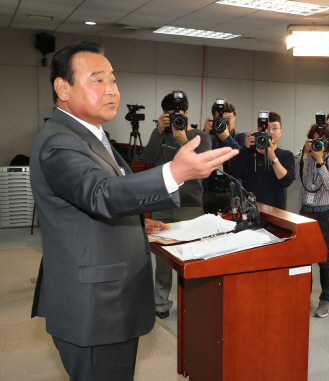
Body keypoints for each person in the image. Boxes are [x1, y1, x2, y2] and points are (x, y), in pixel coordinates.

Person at [29, 41, 237, 381]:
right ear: (62, 88)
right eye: (98, 80)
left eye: (113, 80)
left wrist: (138, 218)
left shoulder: (91, 135)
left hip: (106, 300)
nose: (112, 90)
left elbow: (94, 197)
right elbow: (99, 193)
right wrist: (175, 173)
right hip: (95, 307)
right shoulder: (60, 141)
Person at [143, 92, 211, 318]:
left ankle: (191, 302)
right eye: (170, 114)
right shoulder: (160, 135)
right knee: (163, 259)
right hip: (162, 203)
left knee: (190, 256)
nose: (175, 119)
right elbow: (148, 158)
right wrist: (157, 131)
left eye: (179, 114)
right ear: (164, 115)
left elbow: (205, 163)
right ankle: (160, 304)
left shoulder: (200, 136)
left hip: (190, 204)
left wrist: (183, 140)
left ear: (187, 113)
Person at [295, 122, 329, 318]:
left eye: (321, 140)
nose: (318, 143)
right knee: (303, 258)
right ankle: (302, 295)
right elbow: (302, 180)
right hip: (305, 212)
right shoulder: (308, 156)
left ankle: (326, 300)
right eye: (314, 139)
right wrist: (306, 155)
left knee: (323, 259)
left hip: (325, 214)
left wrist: (320, 162)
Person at [229, 111, 295, 209]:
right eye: (266, 128)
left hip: (276, 211)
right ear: (258, 130)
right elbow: (234, 174)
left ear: (280, 132)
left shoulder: (286, 155)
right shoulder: (249, 153)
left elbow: (287, 181)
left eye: (274, 128)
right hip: (251, 210)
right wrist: (245, 148)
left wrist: (272, 157)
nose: (270, 132)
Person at [202, 100, 246, 214]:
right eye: (221, 119)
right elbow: (197, 158)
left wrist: (227, 138)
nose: (225, 122)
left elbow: (244, 161)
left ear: (235, 118)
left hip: (233, 194)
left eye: (229, 118)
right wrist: (204, 134)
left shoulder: (241, 138)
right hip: (209, 193)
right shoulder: (208, 138)